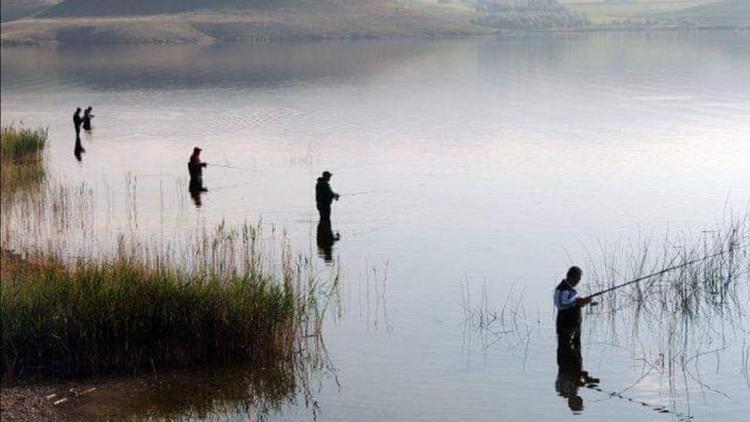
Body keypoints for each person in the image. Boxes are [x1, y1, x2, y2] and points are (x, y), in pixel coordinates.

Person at [554, 265, 599, 413]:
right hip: (566, 325)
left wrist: (586, 379)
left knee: (576, 350)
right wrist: (578, 301)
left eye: (579, 401)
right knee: (568, 349)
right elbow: (561, 305)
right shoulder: (561, 289)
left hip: (575, 325)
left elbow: (575, 377)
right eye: (577, 279)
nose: (578, 282)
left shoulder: (571, 290)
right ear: (571, 277)